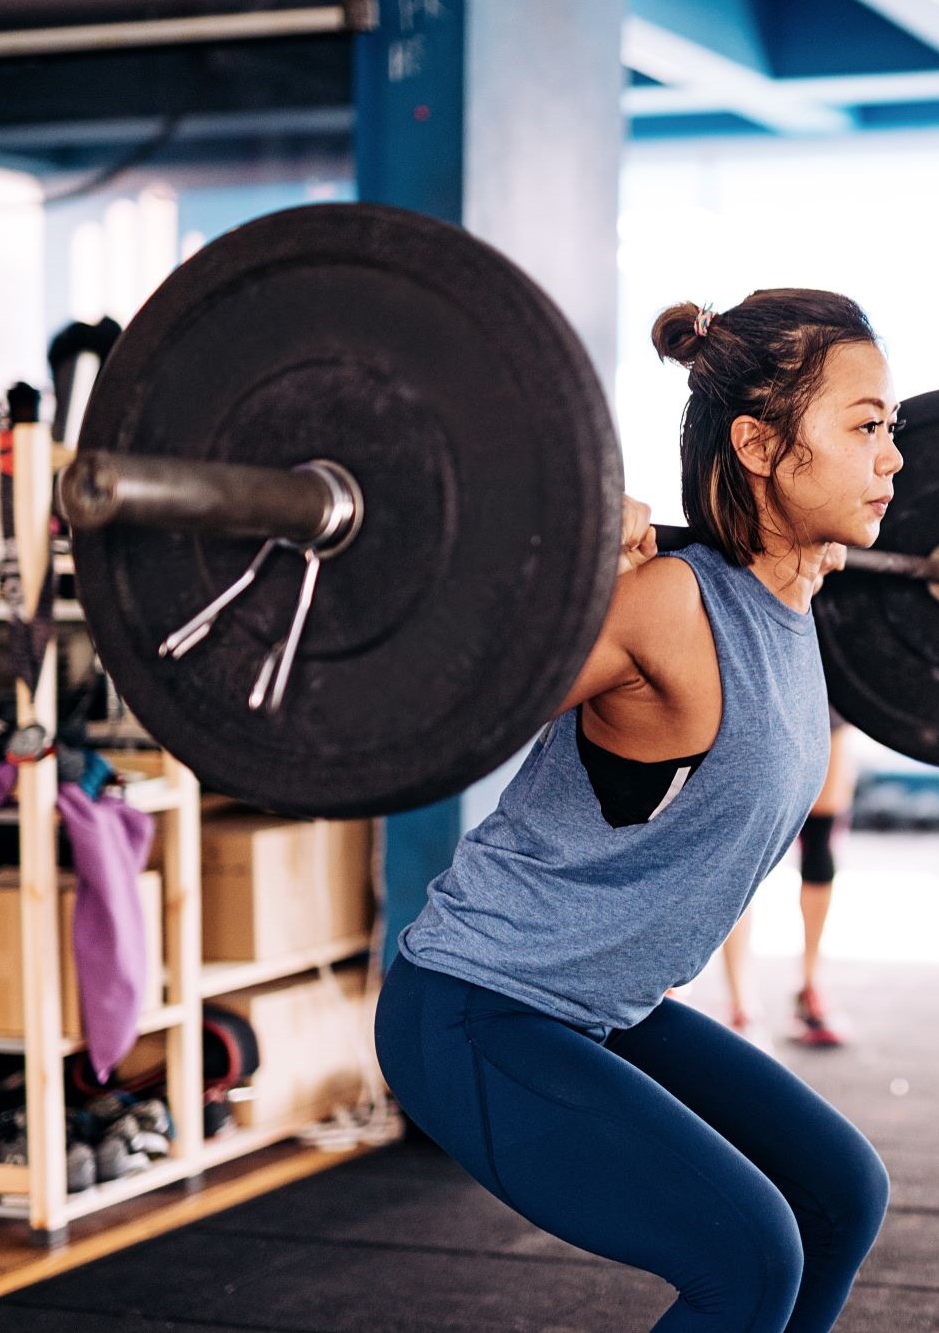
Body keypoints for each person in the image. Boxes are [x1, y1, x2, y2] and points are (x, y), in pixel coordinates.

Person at [374, 290, 897, 1333]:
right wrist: (564, 569)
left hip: (600, 1007)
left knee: (839, 1194)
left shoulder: (791, 597)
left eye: (893, 428)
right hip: (477, 1005)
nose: (891, 457)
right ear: (757, 442)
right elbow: (435, 702)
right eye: (865, 425)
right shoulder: (666, 603)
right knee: (747, 1256)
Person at [717, 712, 859, 1046]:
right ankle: (740, 1004)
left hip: (830, 697)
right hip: (759, 699)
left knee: (820, 838)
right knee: (744, 843)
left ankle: (810, 987)